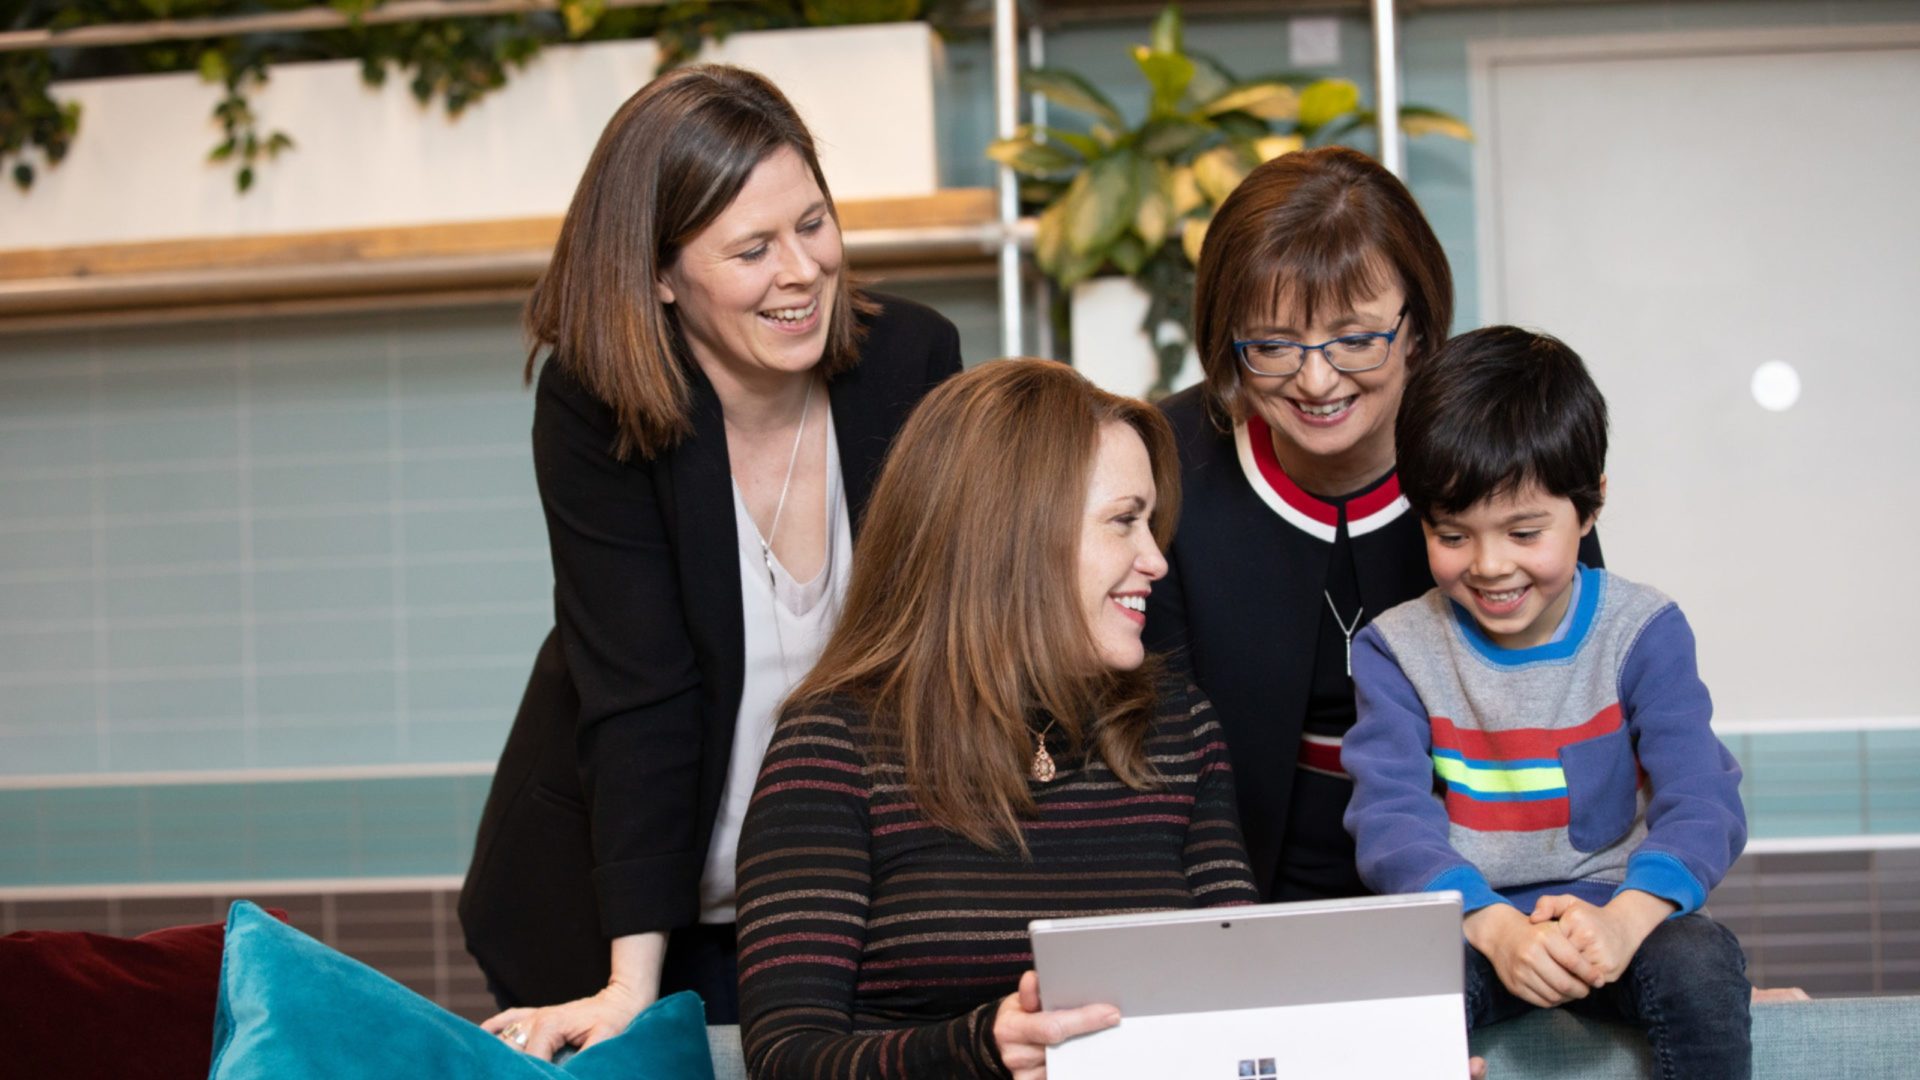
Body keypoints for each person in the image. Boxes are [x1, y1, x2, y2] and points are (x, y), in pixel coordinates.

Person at [459, 64, 962, 1054]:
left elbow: (951, 640)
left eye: (813, 225)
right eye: (751, 249)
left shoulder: (912, 361)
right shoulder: (594, 405)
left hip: (842, 902)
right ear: (658, 274)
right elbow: (643, 692)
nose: (802, 272)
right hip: (623, 904)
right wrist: (626, 986)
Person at [733, 359, 1261, 1078]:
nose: (1155, 559)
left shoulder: (1179, 729)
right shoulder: (832, 748)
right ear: (1013, 539)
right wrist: (979, 1049)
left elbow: (1247, 1010)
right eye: (1123, 523)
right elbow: (786, 1061)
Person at [1145, 147, 1601, 902]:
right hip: (1234, 883)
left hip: (1484, 886)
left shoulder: (1500, 440)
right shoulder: (1163, 464)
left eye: (1355, 338)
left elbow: (1583, 692)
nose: (1316, 380)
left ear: (1417, 328)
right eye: (1271, 344)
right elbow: (1148, 750)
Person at [1342, 326, 1752, 1078]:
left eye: (1524, 531)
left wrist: (1626, 920)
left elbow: (1703, 803)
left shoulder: (1645, 632)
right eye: (1452, 534)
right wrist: (1492, 926)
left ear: (1590, 507)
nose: (1490, 565)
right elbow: (1389, 823)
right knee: (1388, 989)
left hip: (1614, 913)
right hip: (1476, 919)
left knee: (1700, 962)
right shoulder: (1394, 651)